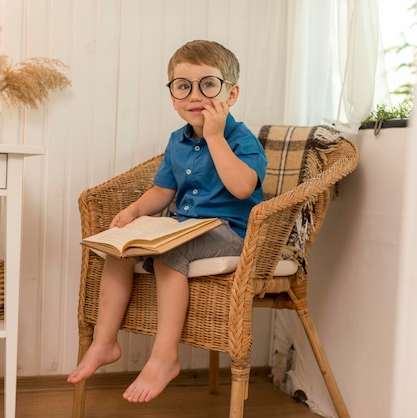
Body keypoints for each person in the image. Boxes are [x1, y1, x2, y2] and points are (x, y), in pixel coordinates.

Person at [67, 40, 267, 403]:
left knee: (170, 253)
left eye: (208, 84)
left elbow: (242, 189)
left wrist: (215, 137)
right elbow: (162, 191)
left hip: (231, 232)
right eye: (183, 85)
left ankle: (165, 357)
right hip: (182, 226)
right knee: (120, 247)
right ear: (172, 94)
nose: (195, 95)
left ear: (231, 93)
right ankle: (104, 342)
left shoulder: (241, 139)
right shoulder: (177, 140)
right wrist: (132, 213)